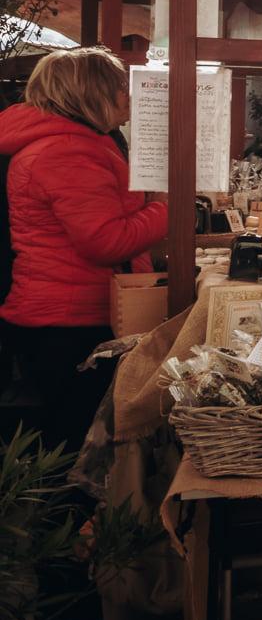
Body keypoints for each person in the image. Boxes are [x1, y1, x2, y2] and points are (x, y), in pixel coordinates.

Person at [0, 47, 167, 451]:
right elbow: (106, 241)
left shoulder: (67, 141)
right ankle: (77, 516)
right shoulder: (66, 150)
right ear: (93, 94)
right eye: (121, 89)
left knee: (72, 434)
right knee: (76, 442)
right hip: (70, 320)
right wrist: (169, 208)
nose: (129, 98)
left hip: (64, 310)